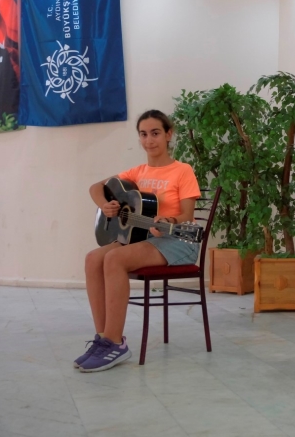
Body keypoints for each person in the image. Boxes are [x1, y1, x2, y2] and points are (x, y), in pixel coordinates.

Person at [76, 110, 201, 372]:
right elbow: (95, 187)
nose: (149, 140)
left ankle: (115, 343)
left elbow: (187, 216)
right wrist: (106, 205)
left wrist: (168, 221)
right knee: (92, 259)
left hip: (176, 240)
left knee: (114, 258)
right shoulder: (137, 173)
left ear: (168, 134)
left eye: (155, 133)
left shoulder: (183, 170)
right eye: (143, 134)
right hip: (142, 237)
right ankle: (103, 340)